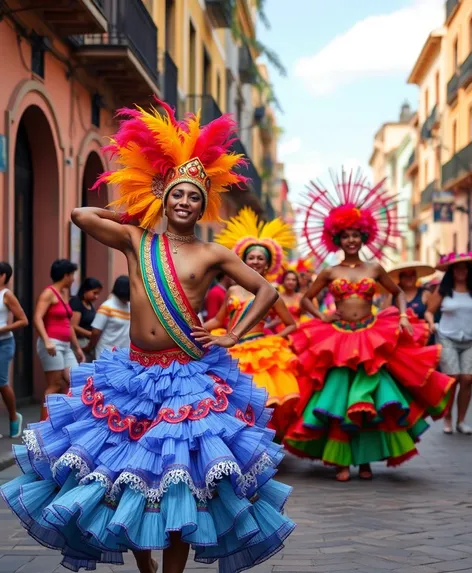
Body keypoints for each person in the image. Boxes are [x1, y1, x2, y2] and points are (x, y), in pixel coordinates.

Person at [1, 101, 295, 573]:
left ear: (204, 204)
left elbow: (266, 289)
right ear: (165, 197)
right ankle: (145, 564)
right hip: (133, 377)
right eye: (176, 194)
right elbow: (79, 215)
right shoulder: (138, 241)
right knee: (123, 478)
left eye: (193, 197)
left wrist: (233, 334)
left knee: (180, 485)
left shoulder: (213, 252)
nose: (183, 203)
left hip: (188, 378)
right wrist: (132, 210)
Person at [283, 171, 453, 482]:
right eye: (345, 235)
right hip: (339, 339)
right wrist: (321, 317)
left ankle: (365, 462)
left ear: (364, 237)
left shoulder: (374, 268)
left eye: (355, 235)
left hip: (371, 334)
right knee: (338, 400)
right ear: (337, 238)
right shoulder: (330, 271)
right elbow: (308, 300)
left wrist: (402, 316)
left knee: (369, 401)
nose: (351, 240)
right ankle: (342, 462)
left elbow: (398, 293)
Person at [204, 207, 300, 440]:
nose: (255, 261)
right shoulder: (233, 290)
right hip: (230, 348)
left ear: (267, 265)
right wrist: (191, 327)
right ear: (242, 261)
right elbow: (219, 319)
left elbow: (290, 324)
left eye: (260, 258)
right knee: (230, 400)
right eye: (251, 258)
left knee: (259, 402)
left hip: (259, 351)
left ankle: (260, 444)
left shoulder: (271, 293)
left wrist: (274, 339)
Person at [425, 252, 472, 435]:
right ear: (452, 271)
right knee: (452, 379)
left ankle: (461, 420)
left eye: (465, 268)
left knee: (468, 379)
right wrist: (431, 324)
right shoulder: (443, 290)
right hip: (447, 337)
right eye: (457, 268)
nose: (461, 271)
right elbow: (430, 311)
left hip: (470, 340)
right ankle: (447, 418)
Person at [33, 259, 85, 420]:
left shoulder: (64, 294)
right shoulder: (49, 293)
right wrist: (47, 340)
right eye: (72, 275)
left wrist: (77, 348)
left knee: (75, 381)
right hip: (52, 344)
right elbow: (37, 317)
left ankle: (61, 419)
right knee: (54, 385)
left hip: (65, 345)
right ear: (66, 275)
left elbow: (68, 324)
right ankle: (42, 427)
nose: (74, 279)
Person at [0, 262, 28, 438]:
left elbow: (23, 320)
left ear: (3, 276)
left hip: (4, 343)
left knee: (1, 382)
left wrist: (2, 329)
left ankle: (13, 416)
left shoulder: (7, 295)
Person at [86, 275, 131, 358]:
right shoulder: (107, 307)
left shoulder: (129, 307)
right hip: (107, 353)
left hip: (124, 353)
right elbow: (96, 332)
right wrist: (90, 347)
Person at [70, 277, 103, 362]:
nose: (97, 297)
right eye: (94, 293)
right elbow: (73, 326)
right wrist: (90, 334)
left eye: (98, 294)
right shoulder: (76, 302)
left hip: (88, 343)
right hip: (78, 342)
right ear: (85, 290)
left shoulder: (90, 305)